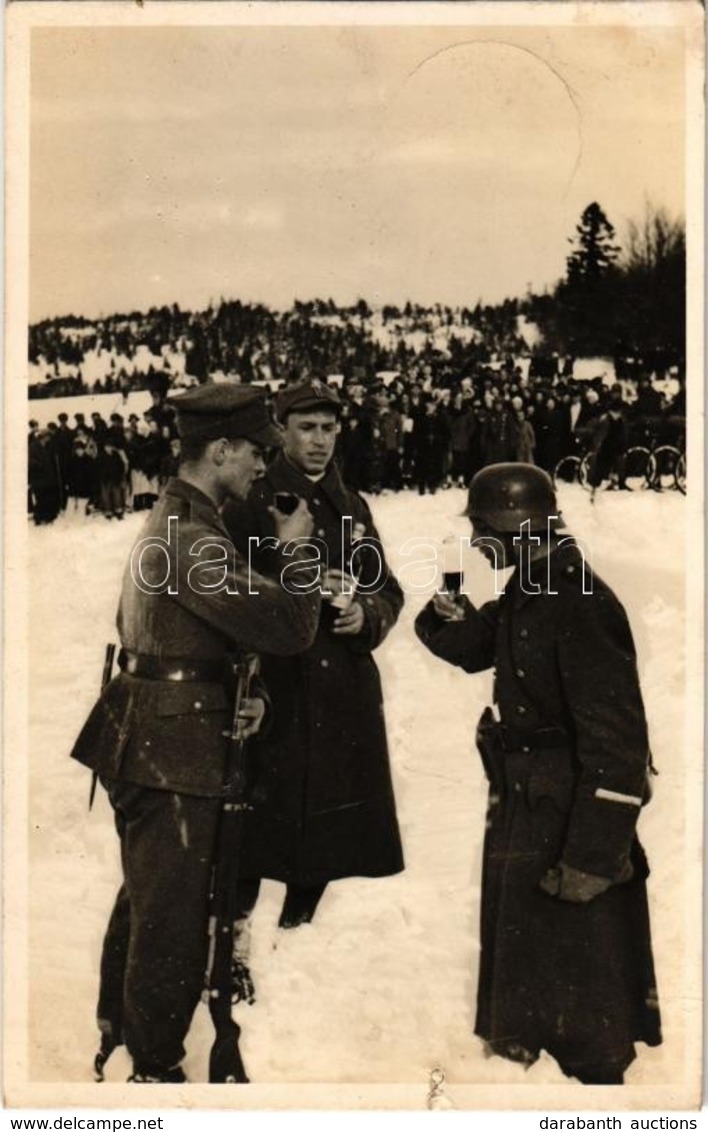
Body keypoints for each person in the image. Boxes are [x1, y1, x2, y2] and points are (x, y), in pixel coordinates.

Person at [70, 385, 321, 1083]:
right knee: (172, 918)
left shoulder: (184, 523)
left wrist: (250, 695)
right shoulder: (193, 538)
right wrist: (296, 555)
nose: (261, 470)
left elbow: (195, 639)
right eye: (255, 454)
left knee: (154, 898)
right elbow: (290, 628)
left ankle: (125, 1030)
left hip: (159, 732)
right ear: (221, 450)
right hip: (170, 748)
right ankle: (155, 1070)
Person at [414, 463, 661, 1085]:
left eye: (484, 530)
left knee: (586, 985)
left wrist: (594, 857)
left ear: (517, 527)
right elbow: (481, 649)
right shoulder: (537, 584)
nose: (476, 544)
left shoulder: (576, 597)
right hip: (531, 801)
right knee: (534, 972)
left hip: (569, 813)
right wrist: (449, 613)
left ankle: (598, 1097)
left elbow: (619, 741)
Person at [222, 378, 404, 954]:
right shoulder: (252, 499)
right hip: (274, 685)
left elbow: (388, 588)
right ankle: (233, 940)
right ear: (282, 433)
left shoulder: (351, 505)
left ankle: (293, 942)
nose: (319, 441)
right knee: (251, 826)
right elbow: (227, 594)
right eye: (306, 428)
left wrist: (366, 615)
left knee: (327, 824)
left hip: (338, 692)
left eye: (328, 428)